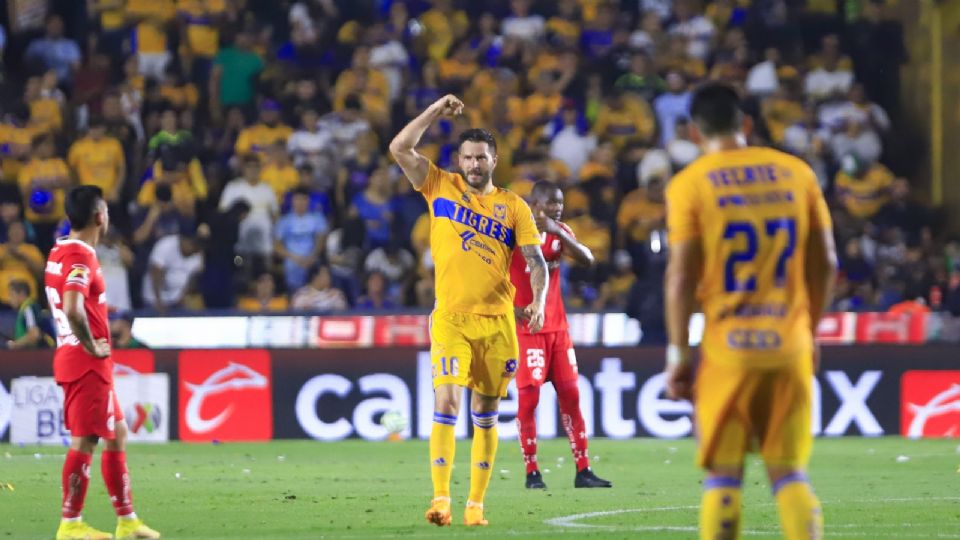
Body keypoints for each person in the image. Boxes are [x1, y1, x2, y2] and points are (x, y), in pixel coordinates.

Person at [663, 83, 836, 540]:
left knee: (723, 476)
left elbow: (681, 277)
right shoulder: (797, 173)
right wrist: (810, 329)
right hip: (790, 346)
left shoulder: (690, 184)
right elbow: (828, 264)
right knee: (789, 473)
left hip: (729, 350)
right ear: (745, 124)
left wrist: (679, 356)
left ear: (697, 135)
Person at [390, 95, 547, 527]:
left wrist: (538, 300)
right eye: (468, 157)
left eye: (481, 157)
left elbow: (536, 262)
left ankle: (475, 506)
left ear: (494, 159)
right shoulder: (440, 184)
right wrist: (434, 112)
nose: (474, 164)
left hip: (497, 322)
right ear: (458, 159)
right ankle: (441, 499)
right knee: (447, 400)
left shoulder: (514, 206)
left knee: (487, 413)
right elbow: (399, 148)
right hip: (452, 318)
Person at [43, 186, 160, 539]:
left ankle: (127, 521)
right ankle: (71, 524)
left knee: (117, 433)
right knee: (85, 440)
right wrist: (92, 343)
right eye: (106, 210)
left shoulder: (60, 249)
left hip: (80, 359)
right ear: (99, 217)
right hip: (84, 362)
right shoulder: (81, 257)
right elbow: (73, 305)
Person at [510, 181, 610, 490]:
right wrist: (514, 310)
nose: (557, 208)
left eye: (560, 203)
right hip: (528, 331)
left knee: (572, 397)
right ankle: (532, 472)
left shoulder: (558, 233)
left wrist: (557, 229)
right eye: (551, 203)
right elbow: (494, 279)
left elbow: (588, 259)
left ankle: (583, 469)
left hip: (559, 332)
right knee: (529, 401)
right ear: (534, 204)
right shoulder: (512, 234)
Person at [6, 279, 50, 349]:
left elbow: (34, 334)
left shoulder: (28, 308)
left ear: (22, 293)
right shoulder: (25, 308)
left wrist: (16, 344)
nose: (9, 299)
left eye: (12, 295)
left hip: (40, 354)